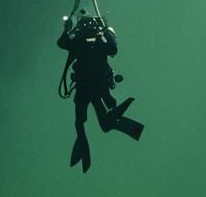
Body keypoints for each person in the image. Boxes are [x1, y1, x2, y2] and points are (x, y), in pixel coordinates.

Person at [57, 13, 144, 172]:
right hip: (94, 88)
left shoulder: (79, 42)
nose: (88, 29)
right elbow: (113, 49)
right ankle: (113, 119)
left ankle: (86, 141)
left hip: (88, 88)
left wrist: (68, 29)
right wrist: (107, 33)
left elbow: (62, 43)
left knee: (82, 123)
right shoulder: (94, 41)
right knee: (94, 123)